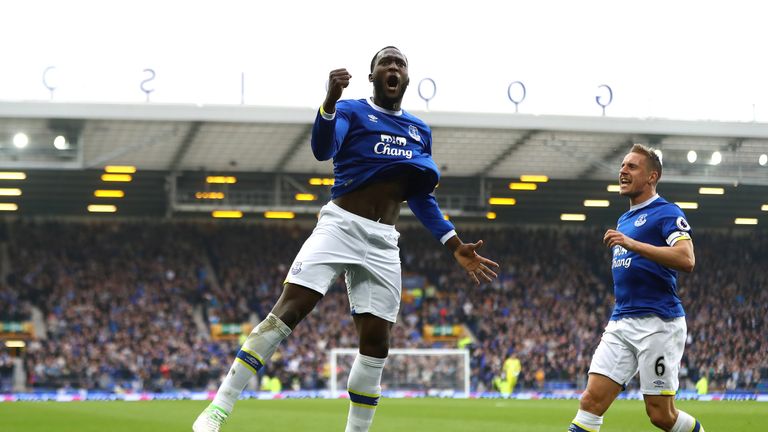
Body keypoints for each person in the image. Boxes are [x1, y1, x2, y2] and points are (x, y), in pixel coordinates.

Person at [193, 46, 499, 432]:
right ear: (372, 77)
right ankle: (218, 409)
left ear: (407, 77)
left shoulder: (420, 131)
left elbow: (420, 196)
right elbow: (323, 149)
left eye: (399, 63)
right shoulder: (352, 111)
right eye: (384, 63)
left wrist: (455, 246)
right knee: (288, 310)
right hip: (340, 226)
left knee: (377, 344)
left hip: (384, 240)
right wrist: (329, 103)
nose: (392, 67)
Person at [567, 144, 704, 432]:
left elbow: (686, 259)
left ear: (652, 176)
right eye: (622, 165)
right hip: (621, 321)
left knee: (661, 415)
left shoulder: (666, 212)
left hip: (658, 323)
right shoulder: (625, 219)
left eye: (632, 166)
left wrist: (633, 244)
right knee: (591, 401)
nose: (623, 171)